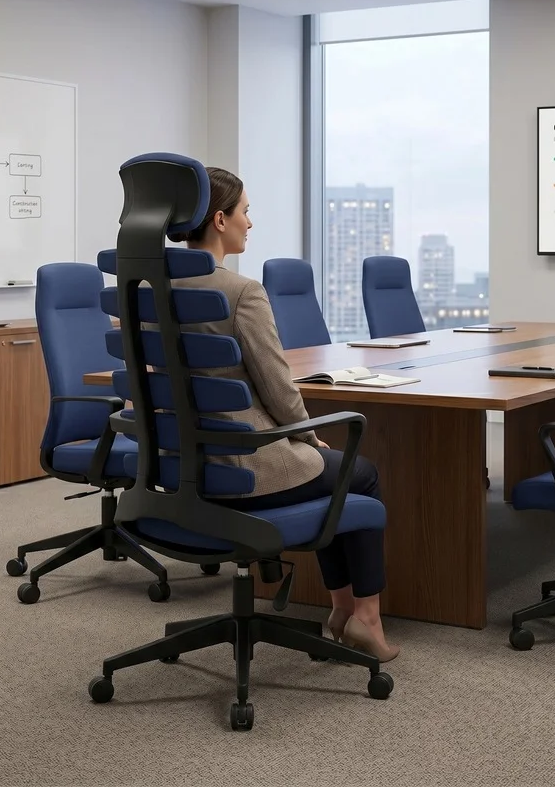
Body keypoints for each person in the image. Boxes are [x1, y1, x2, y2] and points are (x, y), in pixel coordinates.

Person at [168, 167, 398, 662]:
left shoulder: (148, 290)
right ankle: (363, 617)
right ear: (220, 219)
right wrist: (308, 436)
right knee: (359, 473)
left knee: (335, 473)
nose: (250, 223)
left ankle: (342, 611)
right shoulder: (241, 292)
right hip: (244, 468)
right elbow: (279, 390)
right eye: (245, 212)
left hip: (181, 469)